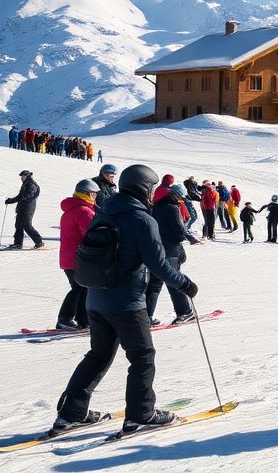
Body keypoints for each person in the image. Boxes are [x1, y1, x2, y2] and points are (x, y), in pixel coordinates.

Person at [52, 164, 198, 436]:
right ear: (143, 188)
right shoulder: (142, 220)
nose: (153, 193)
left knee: (99, 354)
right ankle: (141, 415)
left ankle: (71, 414)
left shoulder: (103, 212)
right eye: (151, 188)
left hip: (95, 299)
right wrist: (184, 283)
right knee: (143, 356)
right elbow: (159, 264)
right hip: (126, 303)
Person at [147, 184, 196, 326]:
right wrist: (186, 238)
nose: (182, 200)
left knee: (155, 282)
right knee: (173, 280)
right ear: (176, 195)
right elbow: (179, 229)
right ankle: (185, 311)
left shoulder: (156, 206)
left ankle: (147, 315)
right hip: (171, 249)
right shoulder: (172, 207)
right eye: (181, 197)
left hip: (158, 247)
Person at [56, 179, 99, 330]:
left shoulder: (71, 210)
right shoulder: (84, 211)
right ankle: (64, 318)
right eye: (94, 195)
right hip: (78, 257)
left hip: (69, 257)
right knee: (80, 288)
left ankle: (83, 320)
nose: (95, 198)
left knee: (83, 288)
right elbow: (91, 234)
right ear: (88, 194)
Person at [5, 170, 44, 249]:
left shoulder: (31, 185)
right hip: (22, 207)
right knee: (18, 225)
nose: (21, 178)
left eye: (23, 176)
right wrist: (10, 201)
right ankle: (18, 244)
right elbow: (20, 196)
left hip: (28, 208)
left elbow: (27, 195)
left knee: (27, 225)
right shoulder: (25, 184)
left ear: (27, 176)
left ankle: (39, 242)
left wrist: (20, 198)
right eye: (21, 177)